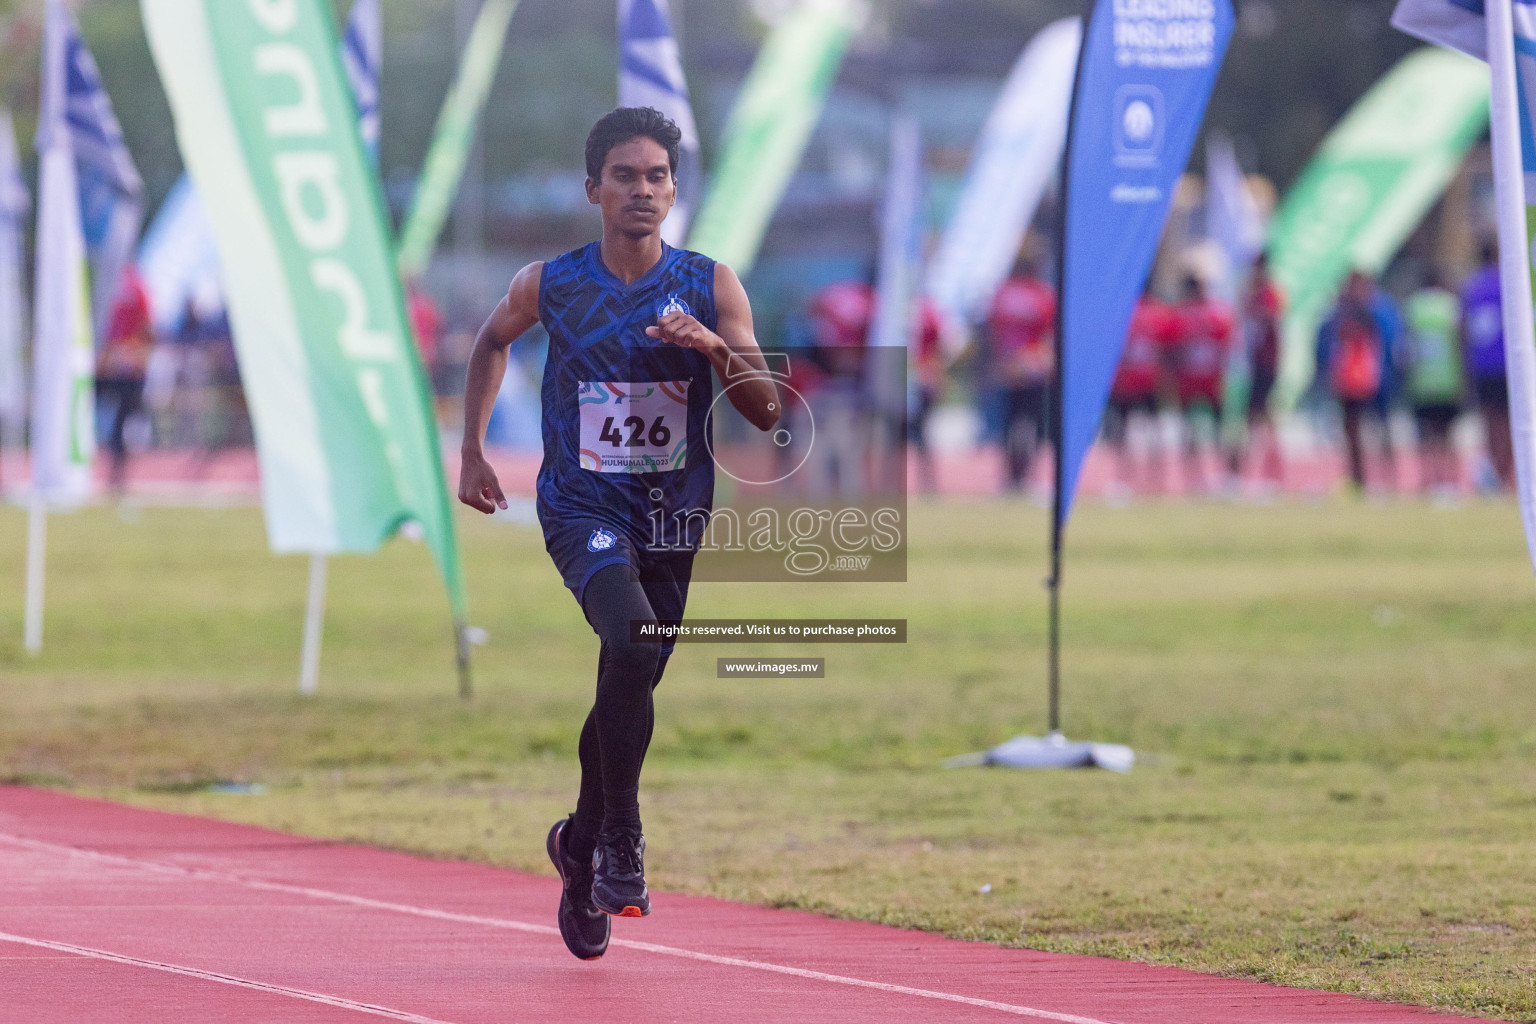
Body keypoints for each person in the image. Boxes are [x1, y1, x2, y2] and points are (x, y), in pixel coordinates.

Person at [457, 108, 779, 961]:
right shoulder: (551, 283)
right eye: (626, 176)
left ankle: (579, 843)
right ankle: (622, 839)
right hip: (581, 504)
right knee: (631, 642)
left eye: (657, 177)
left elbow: (768, 408)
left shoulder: (713, 285)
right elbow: (491, 342)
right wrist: (472, 452)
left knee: (633, 668)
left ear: (675, 190)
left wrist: (711, 345)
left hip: (674, 514)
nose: (643, 190)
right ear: (593, 186)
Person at [1318, 270, 1398, 494]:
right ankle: (1358, 478)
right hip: (1349, 379)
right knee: (1352, 431)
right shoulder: (1342, 312)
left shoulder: (1371, 310)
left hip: (1370, 378)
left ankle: (1389, 478)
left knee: (1380, 427)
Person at [987, 261, 1056, 493]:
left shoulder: (1001, 295)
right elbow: (1050, 335)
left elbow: (991, 333)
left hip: (1008, 368)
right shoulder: (1040, 296)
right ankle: (1027, 477)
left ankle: (1009, 477)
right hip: (1031, 367)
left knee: (1008, 424)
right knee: (1033, 424)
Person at [1165, 274, 1233, 494]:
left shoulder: (1180, 314)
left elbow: (1171, 349)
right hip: (1206, 377)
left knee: (1193, 429)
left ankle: (1195, 476)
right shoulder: (1215, 313)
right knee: (1214, 428)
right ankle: (1221, 474)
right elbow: (1225, 344)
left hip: (1192, 378)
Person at [1104, 289, 1171, 496]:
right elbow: (1167, 351)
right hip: (1148, 379)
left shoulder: (1123, 314)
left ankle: (1126, 478)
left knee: (1125, 430)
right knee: (1151, 429)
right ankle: (1154, 478)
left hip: (1129, 380)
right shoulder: (1161, 313)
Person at [1403, 271, 1465, 496]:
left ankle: (1428, 480)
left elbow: (1406, 347)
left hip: (1422, 381)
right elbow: (1460, 341)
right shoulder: (1451, 306)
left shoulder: (1414, 307)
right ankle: (1451, 480)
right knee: (1447, 435)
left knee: (1425, 436)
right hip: (1448, 381)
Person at [96, 265, 154, 494]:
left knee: (124, 423)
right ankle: (115, 475)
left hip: (131, 371)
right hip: (121, 369)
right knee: (119, 424)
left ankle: (118, 476)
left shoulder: (132, 289)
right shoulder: (124, 288)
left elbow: (146, 329)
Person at [1461, 243, 1513, 490]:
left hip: (1482, 363)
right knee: (1511, 420)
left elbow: (1463, 327)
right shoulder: (1508, 283)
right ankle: (1506, 471)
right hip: (1507, 361)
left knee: (1491, 420)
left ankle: (1496, 471)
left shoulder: (1471, 287)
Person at [1235, 253, 1285, 491]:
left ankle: (1267, 471)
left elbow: (1272, 323)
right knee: (1259, 415)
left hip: (1266, 362)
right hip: (1253, 362)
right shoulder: (1252, 294)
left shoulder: (1268, 294)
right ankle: (1266, 471)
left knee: (1259, 415)